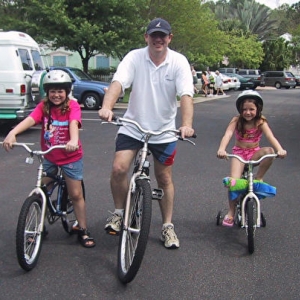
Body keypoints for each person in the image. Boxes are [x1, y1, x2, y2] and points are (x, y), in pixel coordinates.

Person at [98, 18, 195, 249]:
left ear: (170, 38)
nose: (158, 39)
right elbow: (118, 83)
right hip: (133, 126)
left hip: (164, 131)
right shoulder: (134, 57)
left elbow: (186, 96)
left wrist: (187, 124)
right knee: (119, 168)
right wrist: (107, 107)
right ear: (146, 37)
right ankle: (119, 212)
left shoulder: (178, 62)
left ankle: (167, 226)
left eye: (163, 36)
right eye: (154, 35)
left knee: (164, 178)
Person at [2, 70, 95, 248]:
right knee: (42, 190)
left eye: (60, 91)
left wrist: (74, 140)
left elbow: (74, 123)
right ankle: (38, 227)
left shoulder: (72, 106)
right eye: (52, 91)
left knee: (75, 194)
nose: (56, 95)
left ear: (67, 92)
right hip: (50, 155)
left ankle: (83, 229)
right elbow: (30, 120)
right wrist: (13, 133)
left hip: (70, 156)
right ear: (47, 92)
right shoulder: (43, 107)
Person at [217, 90, 287, 227]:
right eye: (244, 109)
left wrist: (280, 149)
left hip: (254, 153)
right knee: (234, 183)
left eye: (251, 109)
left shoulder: (261, 121)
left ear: (258, 109)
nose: (248, 112)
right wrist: (222, 149)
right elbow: (228, 134)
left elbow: (271, 136)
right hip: (239, 154)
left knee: (269, 151)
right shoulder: (236, 120)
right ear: (240, 110)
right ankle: (231, 212)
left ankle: (259, 178)